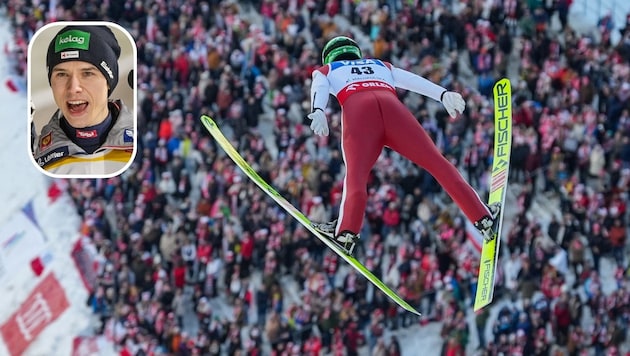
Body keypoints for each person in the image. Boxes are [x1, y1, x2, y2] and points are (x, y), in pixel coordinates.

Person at [308, 36, 500, 255]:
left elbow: (320, 86)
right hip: (393, 110)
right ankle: (483, 217)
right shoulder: (380, 64)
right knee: (437, 162)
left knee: (356, 176)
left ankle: (347, 232)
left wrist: (318, 110)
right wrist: (442, 94)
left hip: (359, 112)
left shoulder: (327, 69)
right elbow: (410, 79)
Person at [32, 24, 134, 175]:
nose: (73, 88)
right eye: (62, 74)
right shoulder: (35, 155)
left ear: (108, 82)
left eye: (87, 74)